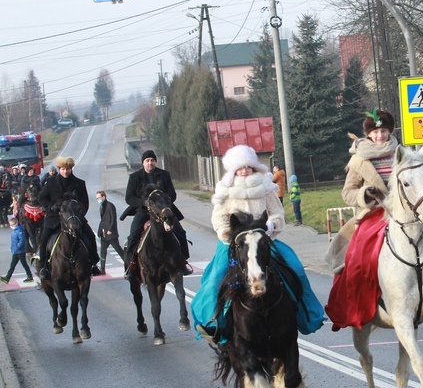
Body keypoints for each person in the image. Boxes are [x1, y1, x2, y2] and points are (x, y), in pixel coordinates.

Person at [325, 108, 423, 320]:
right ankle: (361, 296)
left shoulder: (403, 153)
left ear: (390, 131)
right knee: (362, 250)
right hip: (374, 213)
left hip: (409, 212)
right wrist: (365, 194)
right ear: (368, 134)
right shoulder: (359, 160)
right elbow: (347, 193)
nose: (380, 136)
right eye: (375, 132)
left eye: (384, 131)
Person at [191, 145, 324, 345]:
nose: (244, 171)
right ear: (234, 170)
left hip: (265, 241)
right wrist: (231, 235)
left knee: (296, 269)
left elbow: (278, 213)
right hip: (234, 245)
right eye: (240, 168)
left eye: (248, 167)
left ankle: (306, 315)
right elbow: (218, 219)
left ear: (254, 167)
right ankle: (213, 324)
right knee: (214, 279)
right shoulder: (225, 191)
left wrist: (271, 225)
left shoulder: (266, 186)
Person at [121, 150, 192, 280]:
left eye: (152, 160)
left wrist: (164, 203)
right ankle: (131, 266)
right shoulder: (134, 177)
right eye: (147, 161)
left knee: (181, 233)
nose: (150, 163)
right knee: (133, 237)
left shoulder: (164, 175)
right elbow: (129, 198)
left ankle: (183, 262)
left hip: (163, 211)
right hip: (144, 211)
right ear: (143, 163)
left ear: (155, 162)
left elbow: (172, 194)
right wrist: (144, 203)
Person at [35, 156, 101, 280]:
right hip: (54, 218)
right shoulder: (51, 182)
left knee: (90, 236)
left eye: (68, 169)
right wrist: (51, 207)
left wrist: (77, 214)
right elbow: (41, 198)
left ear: (71, 169)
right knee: (43, 239)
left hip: (74, 218)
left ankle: (93, 263)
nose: (66, 171)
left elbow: (84, 203)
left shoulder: (79, 183)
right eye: (63, 169)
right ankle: (44, 267)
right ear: (59, 169)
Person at [95, 191, 125, 275]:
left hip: (111, 234)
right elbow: (103, 220)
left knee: (118, 250)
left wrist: (110, 229)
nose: (98, 200)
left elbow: (113, 219)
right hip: (103, 233)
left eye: (99, 198)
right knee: (102, 252)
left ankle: (128, 264)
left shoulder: (110, 206)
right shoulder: (101, 207)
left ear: (104, 197)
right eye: (97, 198)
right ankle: (102, 269)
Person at [0, 217, 33, 284]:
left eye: (12, 224)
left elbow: (22, 240)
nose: (11, 226)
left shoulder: (19, 231)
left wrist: (18, 247)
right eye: (10, 225)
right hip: (16, 251)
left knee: (23, 264)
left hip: (20, 251)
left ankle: (29, 276)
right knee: (13, 265)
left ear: (16, 223)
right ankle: (7, 277)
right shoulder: (15, 231)